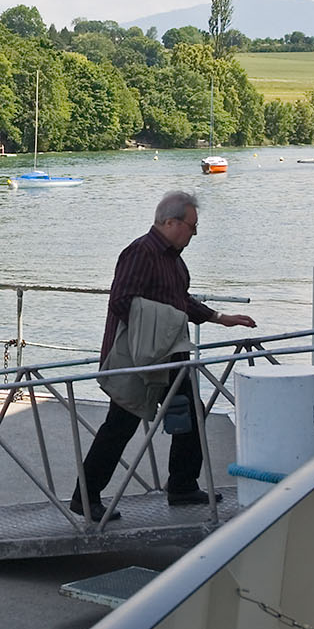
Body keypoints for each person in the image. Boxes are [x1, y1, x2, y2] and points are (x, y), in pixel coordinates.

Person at [74, 191, 257, 520]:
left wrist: (220, 318)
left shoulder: (173, 259)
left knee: (191, 414)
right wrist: (159, 330)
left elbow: (180, 301)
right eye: (192, 226)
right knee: (121, 424)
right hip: (139, 358)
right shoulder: (140, 252)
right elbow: (121, 301)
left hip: (170, 353)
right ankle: (85, 498)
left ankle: (183, 486)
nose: (194, 233)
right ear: (171, 222)